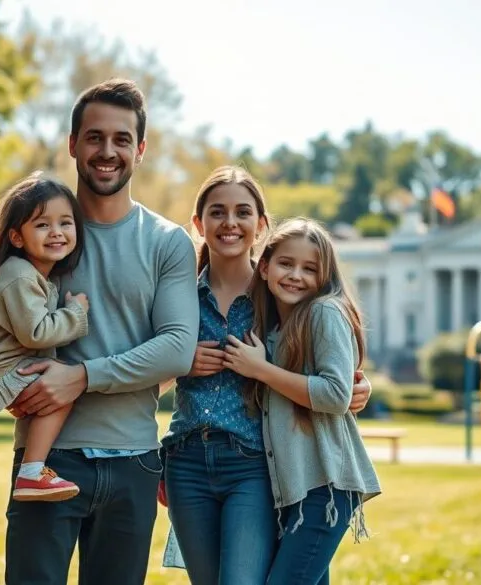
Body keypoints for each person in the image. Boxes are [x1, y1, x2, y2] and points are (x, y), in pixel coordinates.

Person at [1, 79, 200, 585]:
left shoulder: (167, 242)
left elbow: (177, 350)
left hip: (134, 462)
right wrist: (2, 382)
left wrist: (81, 376)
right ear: (73, 144)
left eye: (120, 139)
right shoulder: (42, 233)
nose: (106, 151)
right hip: (47, 461)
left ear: (140, 149)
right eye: (94, 137)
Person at [158, 167, 376, 584]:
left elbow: (324, 361)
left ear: (260, 225)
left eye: (243, 212)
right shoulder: (177, 294)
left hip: (254, 463)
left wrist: (354, 385)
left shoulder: (279, 292)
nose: (230, 222)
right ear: (198, 223)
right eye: (217, 212)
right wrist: (179, 363)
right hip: (185, 461)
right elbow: (147, 374)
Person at [222, 217, 382, 585]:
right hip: (292, 495)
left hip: (323, 491)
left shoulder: (324, 312)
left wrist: (260, 370)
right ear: (264, 267)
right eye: (285, 263)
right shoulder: (272, 328)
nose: (295, 275)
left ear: (324, 276)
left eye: (309, 269)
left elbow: (336, 394)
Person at [0, 172, 88, 502]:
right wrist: (75, 313)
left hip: (1, 362)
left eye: (65, 222)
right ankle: (32, 473)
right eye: (42, 225)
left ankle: (34, 468)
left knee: (52, 391)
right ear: (16, 237)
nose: (56, 232)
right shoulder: (18, 275)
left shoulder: (33, 275)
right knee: (60, 395)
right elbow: (37, 333)